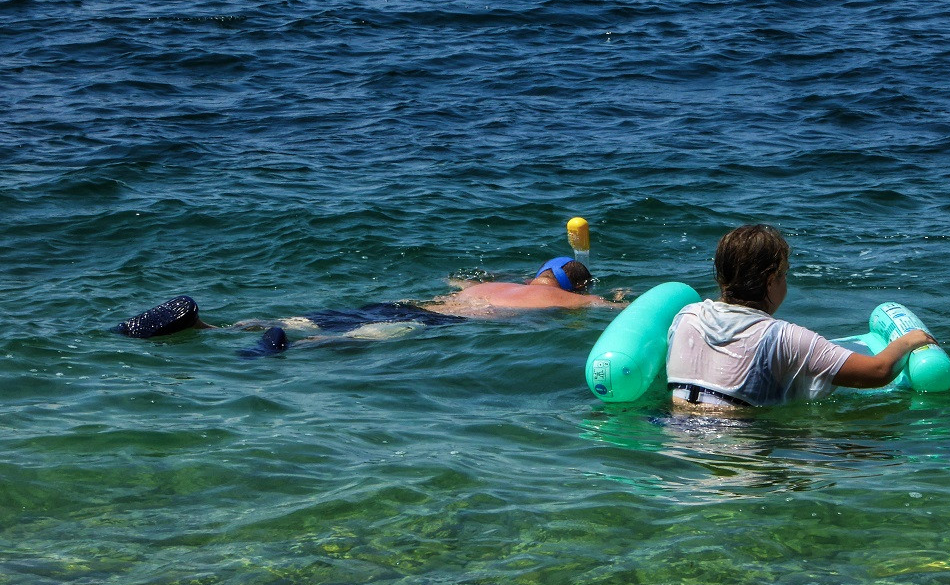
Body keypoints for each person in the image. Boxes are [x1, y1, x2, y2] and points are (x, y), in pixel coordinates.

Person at [114, 256, 624, 355]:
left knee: (330, 316)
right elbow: (617, 310)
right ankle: (293, 346)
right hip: (433, 322)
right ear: (571, 287)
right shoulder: (566, 300)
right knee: (357, 336)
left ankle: (208, 326)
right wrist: (619, 300)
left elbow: (457, 275)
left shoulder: (483, 286)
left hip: (406, 301)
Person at [665, 224, 937, 408]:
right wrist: (908, 341)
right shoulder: (783, 338)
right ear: (772, 280)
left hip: (677, 444)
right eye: (785, 274)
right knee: (874, 451)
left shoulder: (686, 317)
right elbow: (878, 373)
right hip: (742, 453)